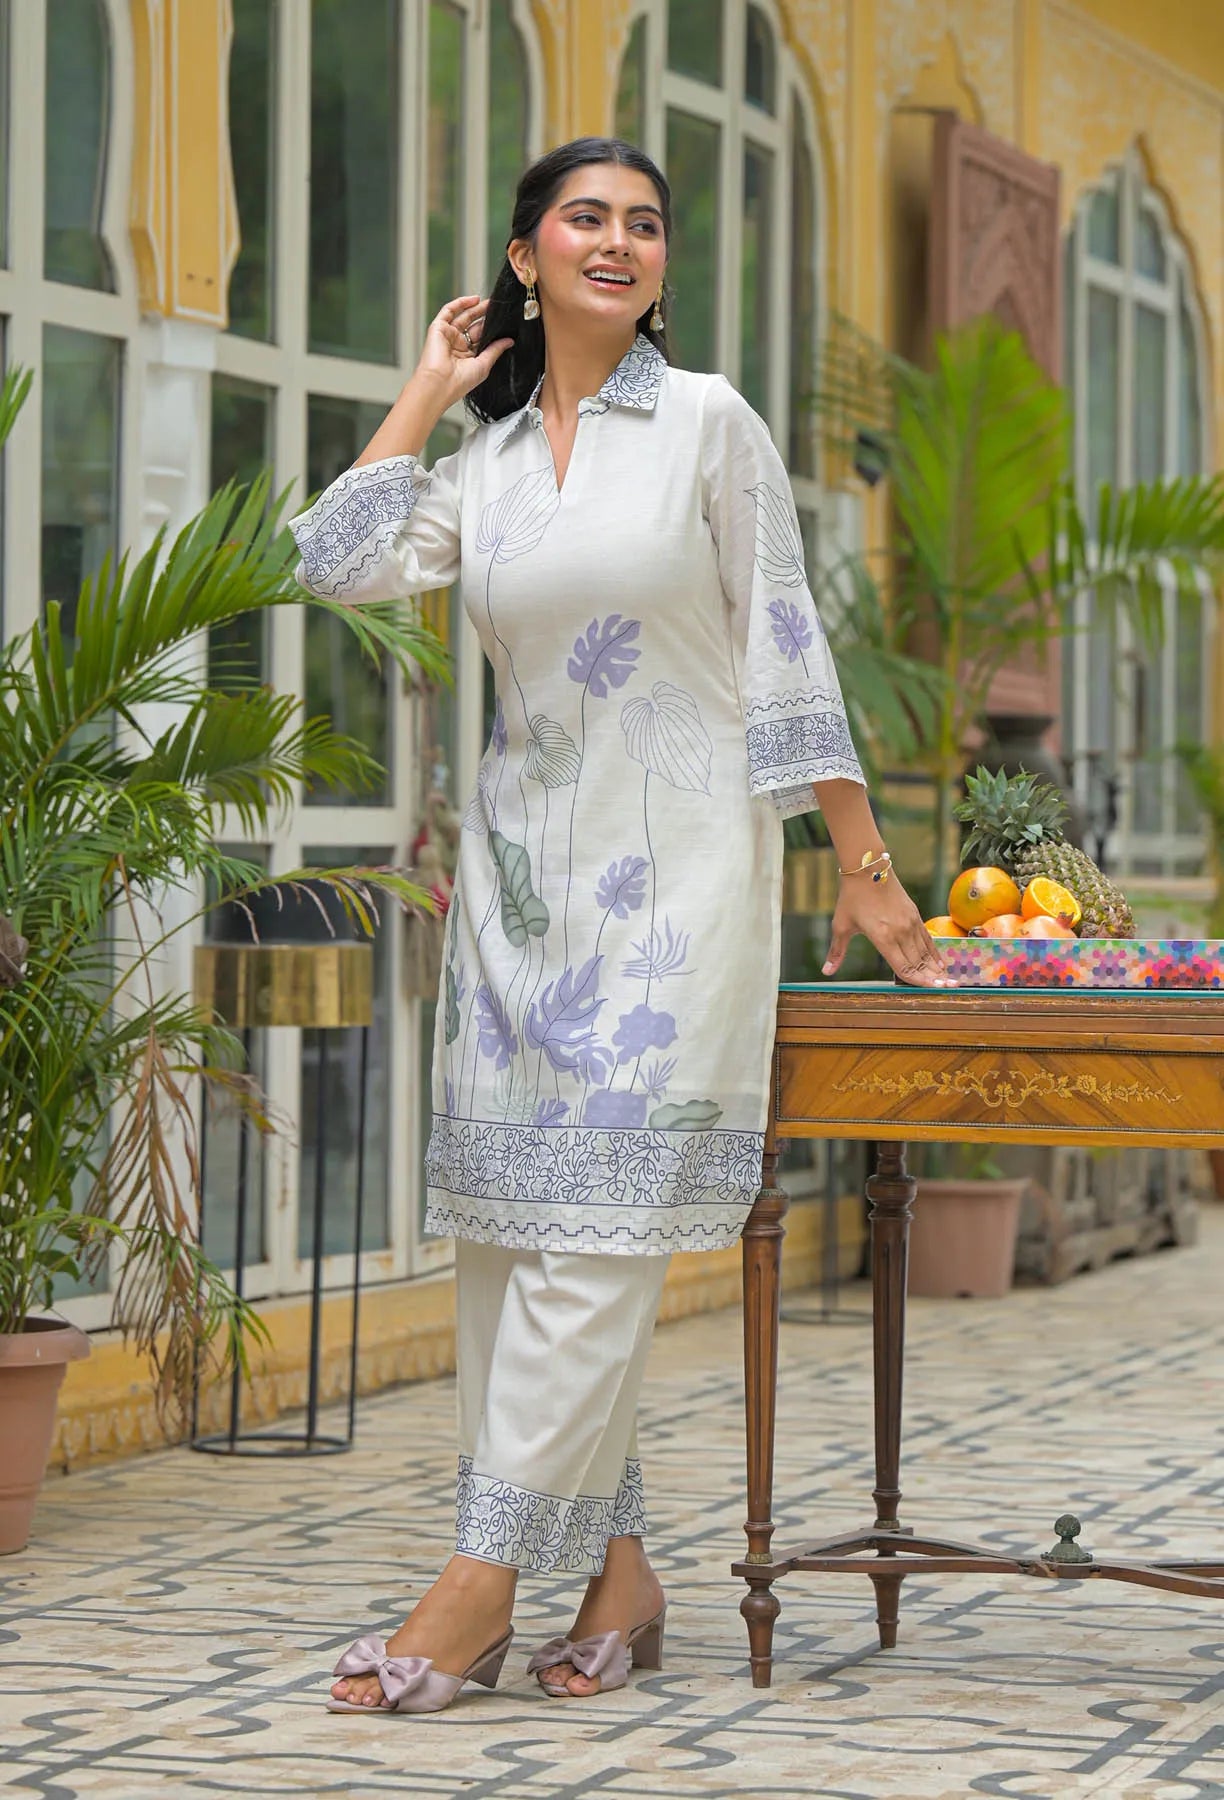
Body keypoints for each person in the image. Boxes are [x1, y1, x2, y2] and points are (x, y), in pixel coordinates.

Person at [290, 136, 947, 1717]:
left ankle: (477, 1587)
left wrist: (860, 860)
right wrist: (434, 388)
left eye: (645, 224)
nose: (620, 241)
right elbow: (334, 564)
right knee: (516, 1252)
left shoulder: (708, 424)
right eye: (585, 218)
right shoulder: (494, 470)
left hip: (674, 903)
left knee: (594, 1251)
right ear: (525, 256)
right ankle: (620, 1578)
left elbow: (788, 651)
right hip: (520, 906)